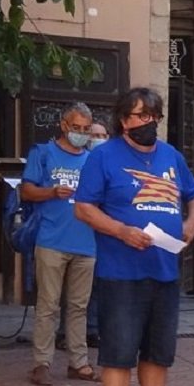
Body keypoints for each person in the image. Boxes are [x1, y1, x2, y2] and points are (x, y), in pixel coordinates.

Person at [73, 87, 194, 386]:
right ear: (122, 120)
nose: (146, 122)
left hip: (164, 269)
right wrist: (121, 231)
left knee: (158, 351)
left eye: (151, 116)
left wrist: (192, 223)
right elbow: (83, 208)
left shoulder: (172, 157)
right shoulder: (104, 157)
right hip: (120, 272)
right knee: (118, 351)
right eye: (138, 115)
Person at [22, 103, 100, 386]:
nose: (80, 133)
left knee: (79, 306)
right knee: (48, 305)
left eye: (85, 129)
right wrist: (51, 192)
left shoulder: (93, 160)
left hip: (86, 242)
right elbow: (26, 190)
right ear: (64, 125)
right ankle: (41, 363)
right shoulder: (43, 154)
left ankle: (78, 363)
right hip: (52, 240)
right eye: (76, 127)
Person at [82, 120, 109, 347]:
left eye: (103, 135)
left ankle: (94, 329)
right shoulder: (82, 161)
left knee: (99, 286)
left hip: (104, 236)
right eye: (94, 135)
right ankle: (68, 333)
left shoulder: (110, 164)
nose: (98, 140)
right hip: (78, 234)